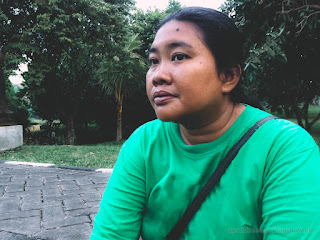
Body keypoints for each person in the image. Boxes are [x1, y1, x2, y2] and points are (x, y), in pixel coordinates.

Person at [90, 7, 320, 239]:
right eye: (153, 61)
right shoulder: (144, 143)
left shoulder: (285, 149)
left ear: (228, 76)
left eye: (179, 56)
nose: (158, 75)